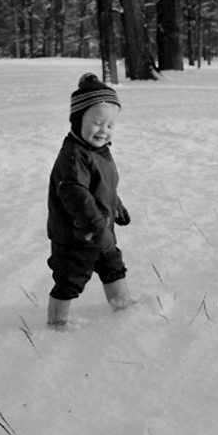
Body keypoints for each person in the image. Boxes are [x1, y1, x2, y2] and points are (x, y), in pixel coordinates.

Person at [46, 73, 133, 328]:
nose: (103, 130)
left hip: (100, 230)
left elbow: (102, 186)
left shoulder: (99, 151)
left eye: (110, 126)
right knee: (69, 279)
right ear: (78, 120)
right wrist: (94, 224)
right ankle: (56, 323)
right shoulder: (74, 156)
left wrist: (115, 204)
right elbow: (76, 195)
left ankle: (124, 308)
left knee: (113, 267)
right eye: (96, 123)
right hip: (76, 236)